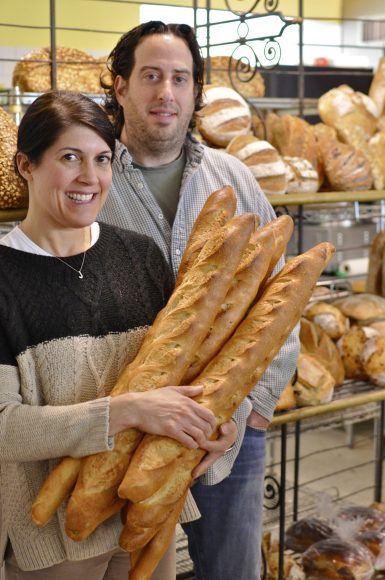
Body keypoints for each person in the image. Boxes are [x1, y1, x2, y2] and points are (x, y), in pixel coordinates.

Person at [0, 90, 237, 580]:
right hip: (57, 539)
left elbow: (185, 371)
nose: (90, 178)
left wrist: (212, 424)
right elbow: (5, 426)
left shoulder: (140, 255)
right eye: (70, 158)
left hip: (150, 516)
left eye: (103, 159)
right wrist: (126, 411)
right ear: (26, 165)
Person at [98, 20, 300, 580]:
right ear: (120, 87)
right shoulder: (93, 181)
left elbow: (281, 297)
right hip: (132, 430)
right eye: (151, 76)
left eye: (181, 79)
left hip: (226, 433)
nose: (166, 93)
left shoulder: (232, 178)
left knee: (231, 571)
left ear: (195, 92)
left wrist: (253, 410)